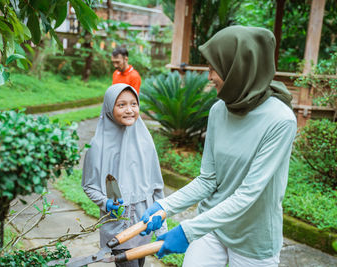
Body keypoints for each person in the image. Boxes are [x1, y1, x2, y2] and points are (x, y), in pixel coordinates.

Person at [139, 26, 297, 267]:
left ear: (238, 69)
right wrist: (165, 206)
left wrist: (187, 231)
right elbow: (208, 180)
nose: (209, 76)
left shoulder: (280, 120)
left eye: (215, 68)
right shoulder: (218, 110)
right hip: (212, 227)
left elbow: (247, 195)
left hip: (253, 238)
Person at [82, 83, 167, 267]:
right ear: (109, 108)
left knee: (139, 264)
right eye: (121, 105)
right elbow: (89, 185)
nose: (129, 110)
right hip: (118, 226)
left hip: (144, 222)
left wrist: (162, 229)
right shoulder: (98, 145)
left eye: (133, 104)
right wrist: (106, 203)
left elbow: (157, 186)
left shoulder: (145, 140)